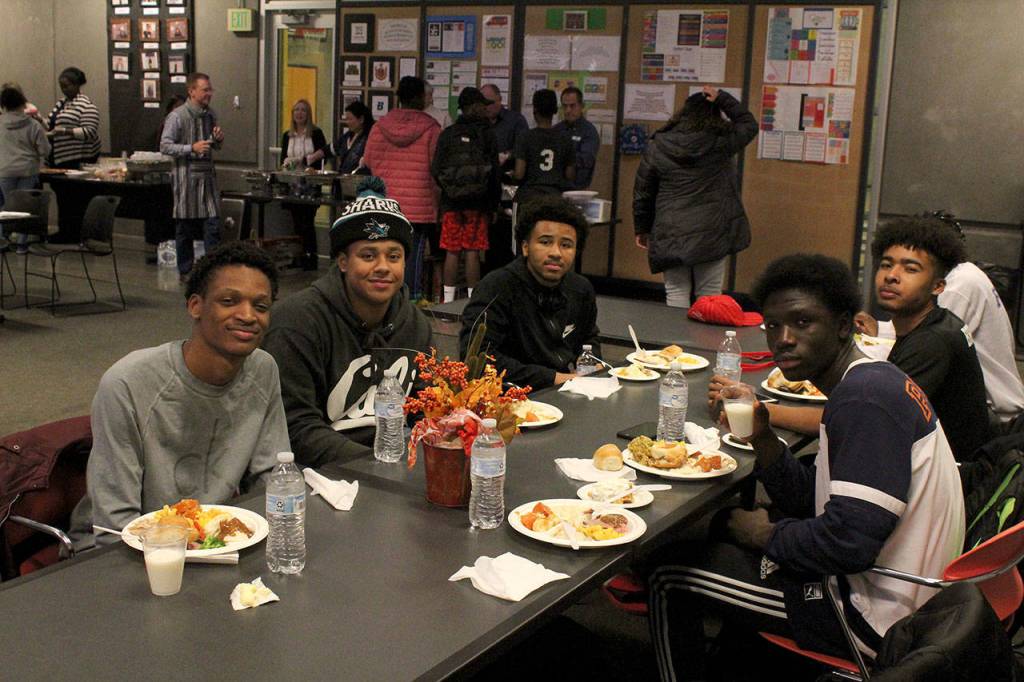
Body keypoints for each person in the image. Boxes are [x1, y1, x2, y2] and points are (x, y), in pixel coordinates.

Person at [650, 254, 964, 681]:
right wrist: (762, 437)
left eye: (802, 323)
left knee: (669, 572)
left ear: (842, 325)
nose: (783, 339)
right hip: (909, 595)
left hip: (876, 618)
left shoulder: (864, 400)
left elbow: (848, 542)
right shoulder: (870, 380)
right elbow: (814, 503)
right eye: (773, 327)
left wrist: (763, 535)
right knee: (726, 529)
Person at [68, 242, 290, 548]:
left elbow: (270, 479)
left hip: (212, 544)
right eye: (229, 301)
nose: (248, 315)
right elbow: (114, 527)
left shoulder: (263, 369)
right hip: (119, 552)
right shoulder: (126, 383)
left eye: (261, 306)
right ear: (195, 306)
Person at [262, 179, 433, 468]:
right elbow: (296, 428)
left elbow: (427, 410)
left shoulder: (416, 325)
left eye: (394, 256)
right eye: (368, 255)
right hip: (320, 479)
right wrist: (376, 463)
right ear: (342, 261)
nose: (382, 267)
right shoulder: (297, 322)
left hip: (397, 467)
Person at [856, 218, 1024, 425]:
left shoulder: (933, 338)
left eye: (910, 269)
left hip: (991, 419)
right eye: (886, 265)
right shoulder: (937, 320)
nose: (891, 276)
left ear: (938, 286)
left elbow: (870, 418)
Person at [633, 86, 757, 308]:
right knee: (709, 295)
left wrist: (642, 228)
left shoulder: (659, 144)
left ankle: (676, 341)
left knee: (676, 293)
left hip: (670, 229)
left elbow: (643, 191)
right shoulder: (720, 142)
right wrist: (722, 98)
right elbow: (748, 124)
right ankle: (704, 343)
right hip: (712, 229)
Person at [460, 195, 599, 389]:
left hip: (567, 391)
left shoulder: (581, 289)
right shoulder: (496, 287)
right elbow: (476, 357)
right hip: (507, 398)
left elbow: (589, 339)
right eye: (545, 242)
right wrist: (552, 378)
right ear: (525, 247)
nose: (556, 253)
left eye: (566, 245)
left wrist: (590, 366)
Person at [362, 76, 441, 303]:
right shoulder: (432, 128)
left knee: (385, 252)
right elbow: (437, 166)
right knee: (413, 253)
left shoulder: (379, 126)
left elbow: (368, 160)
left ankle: (385, 296)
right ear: (420, 98)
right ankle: (412, 297)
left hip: (386, 200)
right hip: (419, 203)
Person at [431, 87, 501, 303]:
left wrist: (449, 191)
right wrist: (493, 205)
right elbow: (495, 173)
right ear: (472, 107)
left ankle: (449, 301)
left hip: (452, 203)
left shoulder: (448, 134)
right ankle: (472, 301)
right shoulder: (486, 134)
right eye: (481, 105)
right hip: (478, 204)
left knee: (452, 251)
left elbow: (436, 169)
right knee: (472, 251)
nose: (485, 109)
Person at [161, 72, 225, 282]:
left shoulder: (211, 115)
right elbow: (165, 146)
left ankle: (212, 272)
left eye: (210, 89)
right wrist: (191, 147)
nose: (209, 93)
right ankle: (186, 271)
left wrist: (217, 140)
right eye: (205, 89)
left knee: (213, 227)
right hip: (186, 181)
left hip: (207, 181)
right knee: (185, 229)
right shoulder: (177, 116)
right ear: (192, 91)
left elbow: (213, 146)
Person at [280, 99, 329, 271]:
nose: (299, 114)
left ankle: (311, 256)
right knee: (295, 222)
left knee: (307, 221)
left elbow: (324, 156)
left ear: (308, 115)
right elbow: (283, 160)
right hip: (293, 183)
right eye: (296, 110)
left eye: (303, 111)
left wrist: (311, 165)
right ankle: (297, 256)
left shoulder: (315, 133)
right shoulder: (287, 135)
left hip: (309, 183)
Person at [513, 89, 575, 208]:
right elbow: (569, 175)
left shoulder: (525, 137)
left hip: (528, 197)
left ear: (534, 110)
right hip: (555, 198)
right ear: (555, 110)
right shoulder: (566, 139)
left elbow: (519, 174)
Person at [0, 86, 50, 215]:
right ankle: (21, 235)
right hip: (28, 170)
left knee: (7, 207)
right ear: (23, 102)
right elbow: (45, 150)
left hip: (5, 170)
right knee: (24, 208)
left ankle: (5, 234)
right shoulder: (33, 124)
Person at [45, 67, 100, 170]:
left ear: (76, 85)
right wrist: (39, 119)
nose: (63, 89)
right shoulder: (60, 104)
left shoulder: (86, 105)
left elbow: (90, 132)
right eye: (61, 86)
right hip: (57, 158)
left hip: (76, 160)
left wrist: (64, 131)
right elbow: (51, 125)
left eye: (66, 86)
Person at [553, 86, 599, 191]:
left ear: (581, 106)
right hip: (556, 188)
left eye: (572, 106)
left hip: (577, 189)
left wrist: (563, 157)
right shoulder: (557, 129)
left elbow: (587, 159)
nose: (568, 110)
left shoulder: (589, 131)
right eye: (564, 106)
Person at [311, 100, 374, 174]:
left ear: (361, 119)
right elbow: (330, 149)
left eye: (350, 119)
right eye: (346, 119)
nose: (347, 122)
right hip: (344, 180)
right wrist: (312, 157)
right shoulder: (347, 136)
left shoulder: (371, 137)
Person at [480, 83, 528, 169]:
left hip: (507, 175)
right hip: (483, 177)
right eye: (483, 103)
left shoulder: (516, 120)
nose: (486, 107)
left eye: (490, 103)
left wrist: (506, 155)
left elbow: (525, 148)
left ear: (500, 99)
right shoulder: (478, 123)